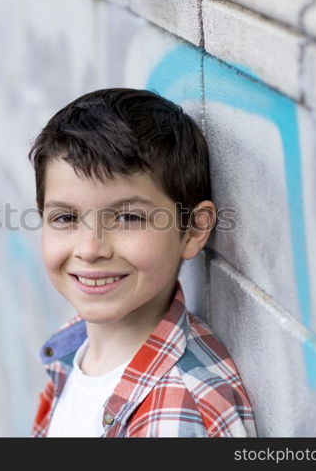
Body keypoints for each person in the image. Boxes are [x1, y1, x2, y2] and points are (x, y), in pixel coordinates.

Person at [27, 88, 256, 437]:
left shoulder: (178, 414)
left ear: (193, 230)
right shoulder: (73, 351)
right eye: (65, 218)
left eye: (129, 218)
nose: (90, 249)